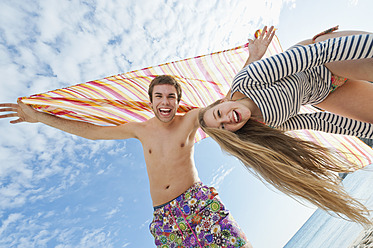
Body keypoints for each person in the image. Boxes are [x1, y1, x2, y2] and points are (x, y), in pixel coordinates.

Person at [0, 76, 250, 247]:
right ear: (151, 101)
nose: (165, 102)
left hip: (195, 202)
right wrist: (40, 117)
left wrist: (253, 59)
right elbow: (92, 132)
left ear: (178, 101)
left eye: (171, 97)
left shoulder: (191, 119)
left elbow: (225, 104)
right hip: (165, 218)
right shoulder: (139, 129)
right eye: (159, 96)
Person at [199, 26, 373, 225]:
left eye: (219, 114)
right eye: (223, 128)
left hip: (324, 57)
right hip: (326, 93)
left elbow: (315, 54)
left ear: (223, 101)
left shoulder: (248, 80)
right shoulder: (267, 124)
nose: (227, 120)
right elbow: (317, 121)